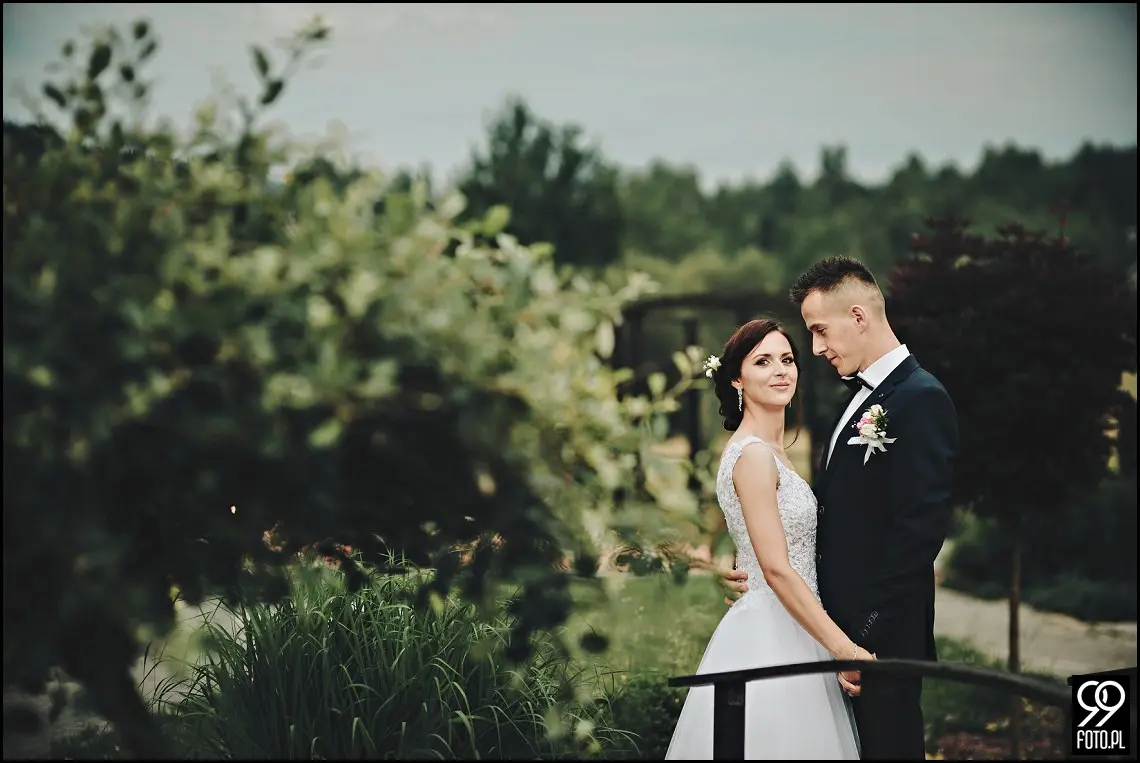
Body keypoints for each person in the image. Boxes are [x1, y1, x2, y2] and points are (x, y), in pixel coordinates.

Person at [718, 256, 959, 760]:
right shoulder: (852, 399)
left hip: (878, 645)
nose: (815, 349)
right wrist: (754, 567)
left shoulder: (920, 399)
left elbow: (918, 535)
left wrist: (863, 642)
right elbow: (828, 517)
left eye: (820, 331)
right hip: (825, 637)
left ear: (858, 316)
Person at [665, 317, 870, 760]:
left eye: (787, 359)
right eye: (763, 361)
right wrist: (844, 648)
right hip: (773, 633)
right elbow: (775, 567)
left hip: (800, 622)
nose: (781, 370)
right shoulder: (754, 456)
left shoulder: (772, 452)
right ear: (737, 378)